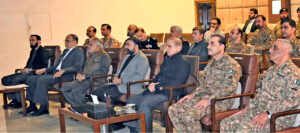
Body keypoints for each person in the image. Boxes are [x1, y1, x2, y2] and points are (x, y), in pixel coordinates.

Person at [221, 39, 300, 132]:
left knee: (242, 129)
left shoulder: (294, 73)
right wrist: (247, 108)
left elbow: (292, 101)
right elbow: (261, 94)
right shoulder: (271, 70)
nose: (270, 50)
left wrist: (268, 113)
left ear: (286, 51)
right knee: (226, 123)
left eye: (275, 47)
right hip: (260, 110)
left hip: (278, 117)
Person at [168, 35, 242, 132]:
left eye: (212, 43)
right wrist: (193, 94)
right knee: (173, 109)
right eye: (208, 44)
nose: (208, 46)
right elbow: (204, 85)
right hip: (205, 96)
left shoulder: (232, 65)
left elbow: (229, 88)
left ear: (222, 46)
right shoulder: (211, 63)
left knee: (189, 116)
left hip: (221, 100)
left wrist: (209, 100)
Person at [124, 37, 190, 132]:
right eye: (167, 46)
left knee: (144, 105)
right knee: (131, 101)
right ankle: (135, 129)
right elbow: (159, 75)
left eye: (169, 46)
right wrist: (152, 84)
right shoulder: (167, 59)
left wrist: (156, 86)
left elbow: (176, 82)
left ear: (178, 48)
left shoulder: (183, 62)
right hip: (159, 89)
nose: (166, 48)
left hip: (170, 92)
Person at [25, 34, 85, 116]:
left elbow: (77, 67)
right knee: (31, 79)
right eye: (65, 41)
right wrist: (45, 69)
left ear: (75, 42)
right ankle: (32, 106)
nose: (65, 43)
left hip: (65, 76)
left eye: (67, 41)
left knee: (41, 80)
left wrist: (64, 70)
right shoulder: (65, 51)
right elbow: (56, 67)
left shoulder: (78, 51)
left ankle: (43, 108)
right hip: (55, 74)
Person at [89, 37, 149, 104]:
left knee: (105, 96)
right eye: (126, 45)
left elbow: (139, 77)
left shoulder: (142, 58)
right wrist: (115, 77)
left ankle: (109, 113)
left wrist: (122, 80)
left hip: (131, 86)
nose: (126, 47)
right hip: (118, 84)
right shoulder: (127, 56)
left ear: (136, 46)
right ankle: (97, 112)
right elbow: (119, 71)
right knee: (93, 93)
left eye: (128, 45)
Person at [61, 37, 111, 109]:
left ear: (98, 46)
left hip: (95, 80)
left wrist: (85, 76)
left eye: (91, 45)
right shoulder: (90, 55)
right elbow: (84, 68)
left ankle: (81, 110)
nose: (88, 46)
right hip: (85, 79)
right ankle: (79, 108)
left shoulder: (104, 56)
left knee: (76, 91)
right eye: (88, 44)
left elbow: (102, 72)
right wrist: (79, 74)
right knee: (64, 88)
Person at [1, 34, 49, 108]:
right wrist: (24, 69)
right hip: (27, 72)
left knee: (15, 80)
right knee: (5, 79)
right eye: (30, 40)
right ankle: (15, 99)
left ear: (39, 41)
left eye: (33, 40)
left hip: (34, 74)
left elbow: (44, 66)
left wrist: (29, 69)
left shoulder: (43, 51)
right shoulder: (32, 51)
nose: (31, 42)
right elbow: (29, 64)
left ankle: (20, 102)